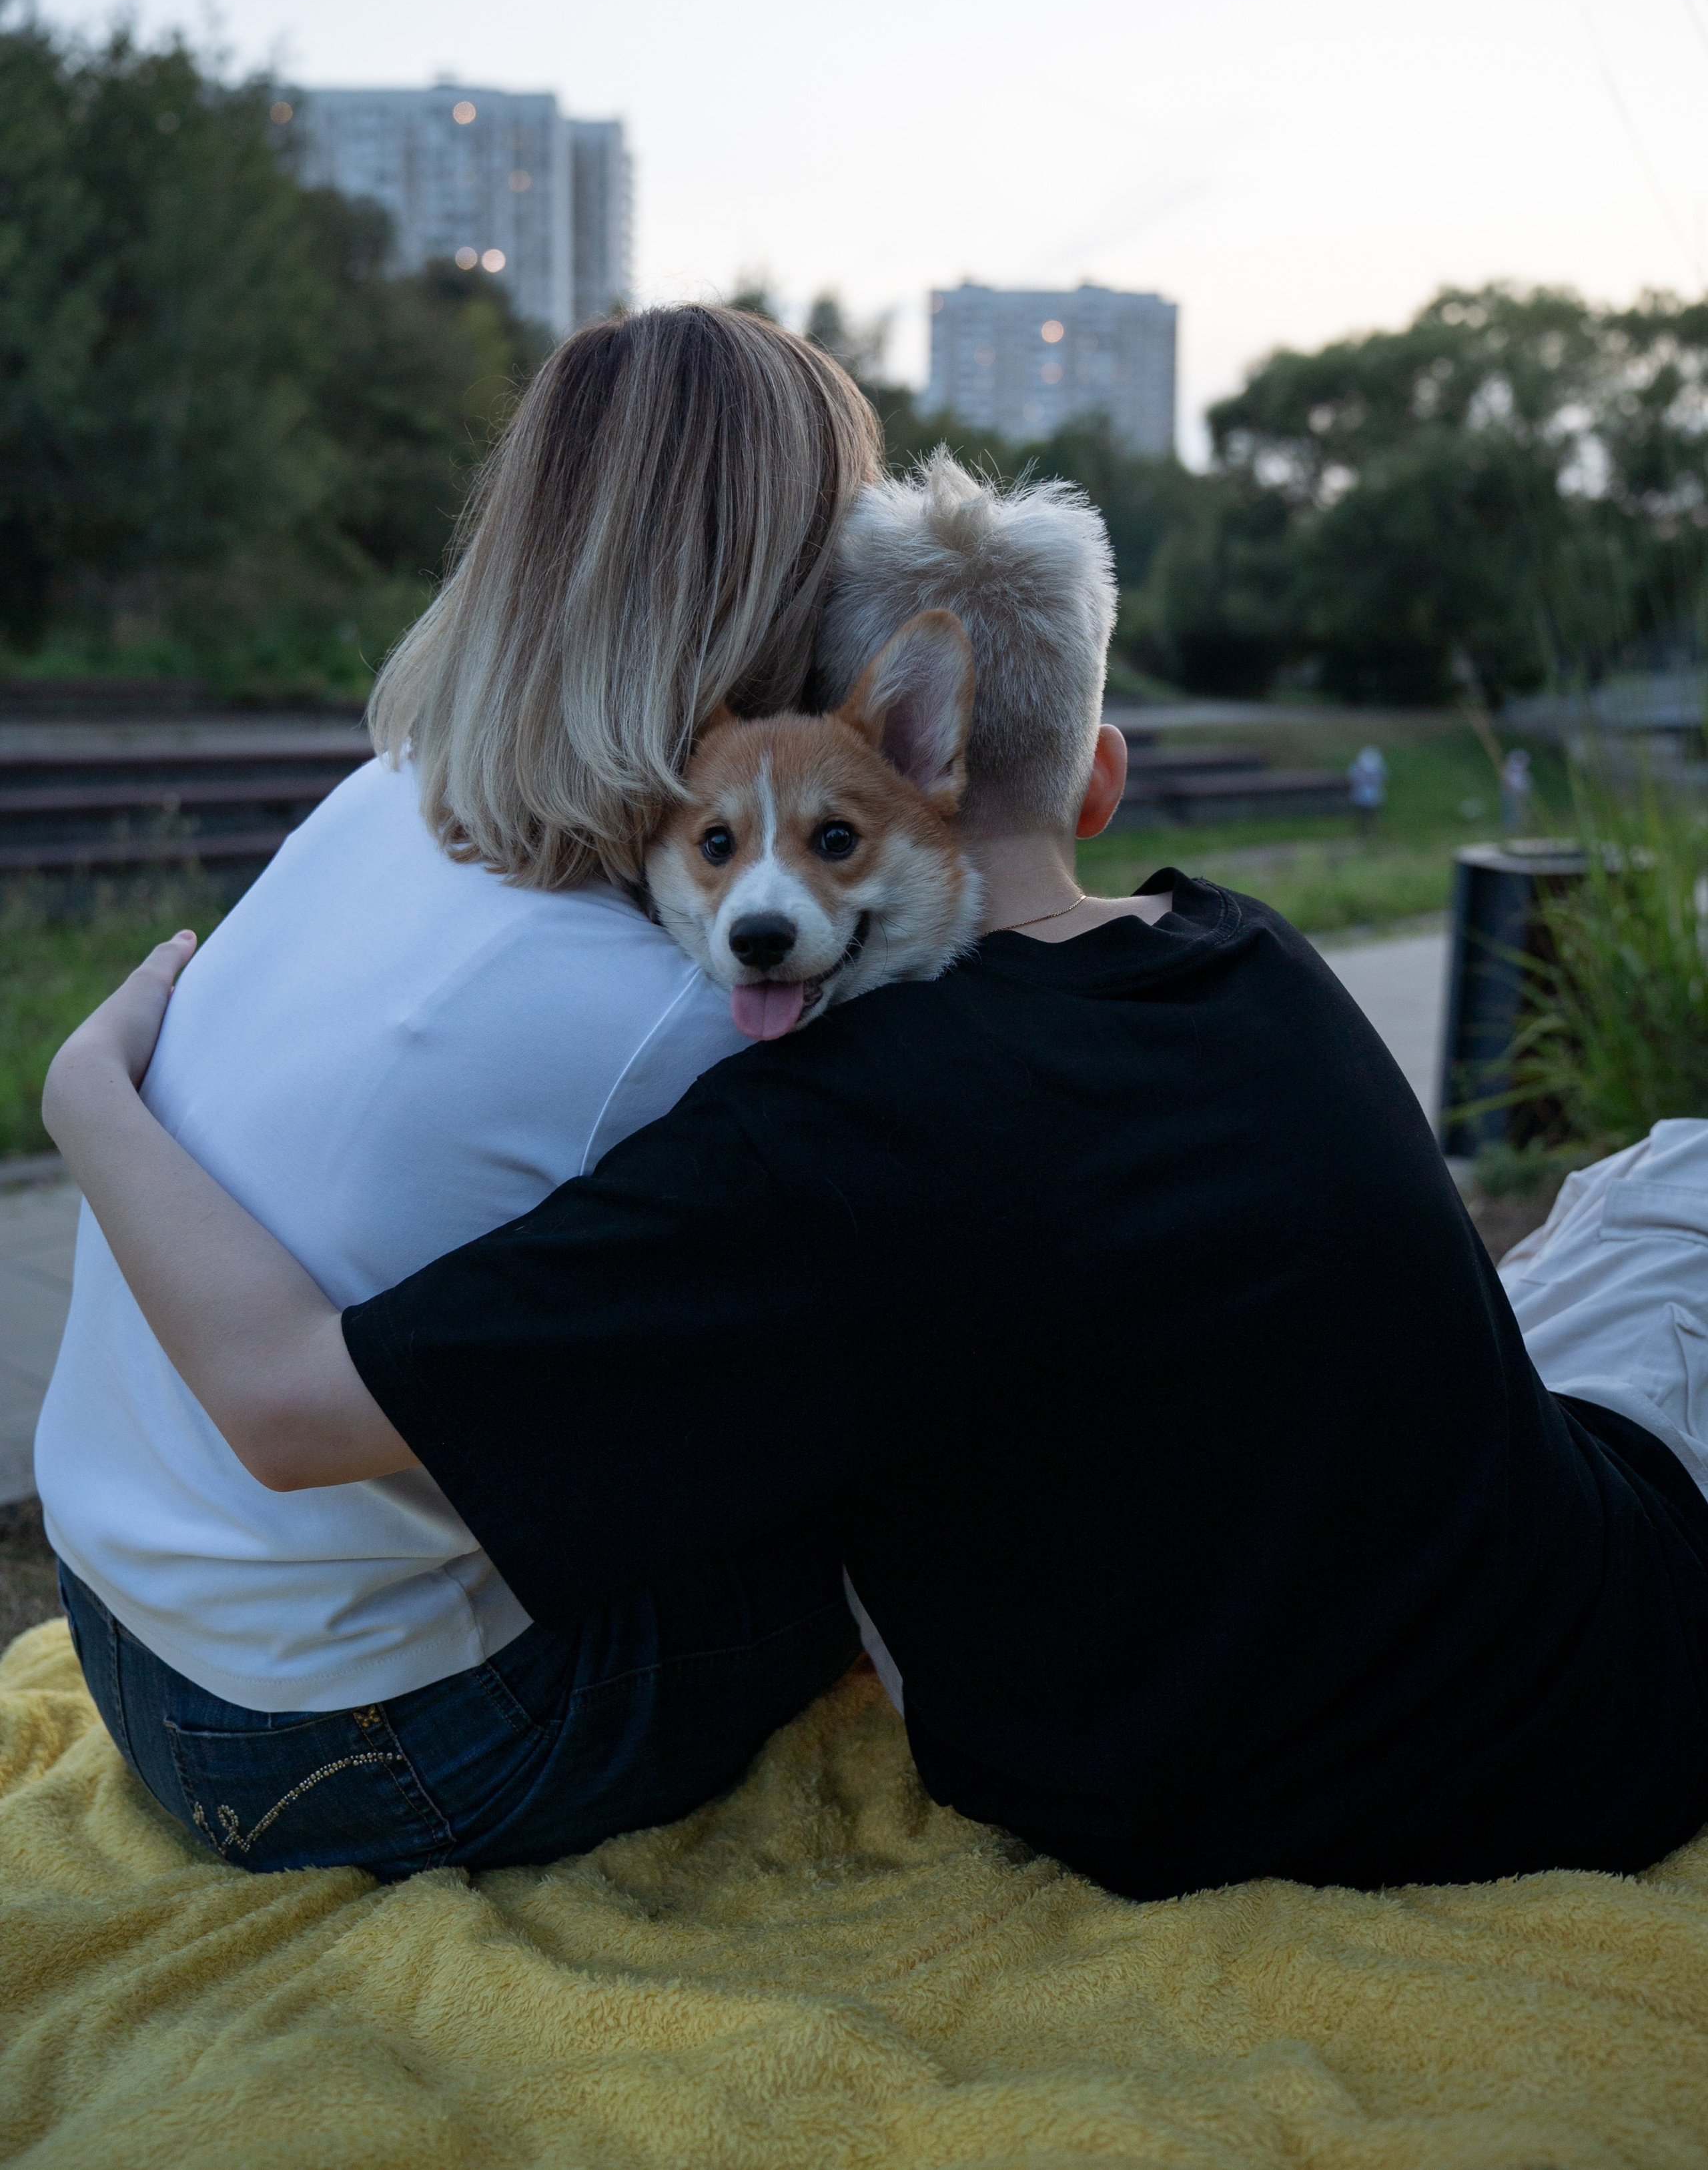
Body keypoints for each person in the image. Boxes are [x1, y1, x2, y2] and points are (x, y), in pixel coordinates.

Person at [45, 458, 1708, 1901]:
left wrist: (85, 1089)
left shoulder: (803, 1144)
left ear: (869, 740)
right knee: (1660, 1186)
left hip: (1183, 1786)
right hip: (1592, 1670)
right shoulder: (1250, 954)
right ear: (1101, 776)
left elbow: (289, 1396)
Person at [33, 304, 882, 1878]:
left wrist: (78, 1087)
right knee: (828, 1507)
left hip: (116, 1618)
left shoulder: (379, 800)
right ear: (797, 581)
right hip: (348, 1740)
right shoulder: (669, 1014)